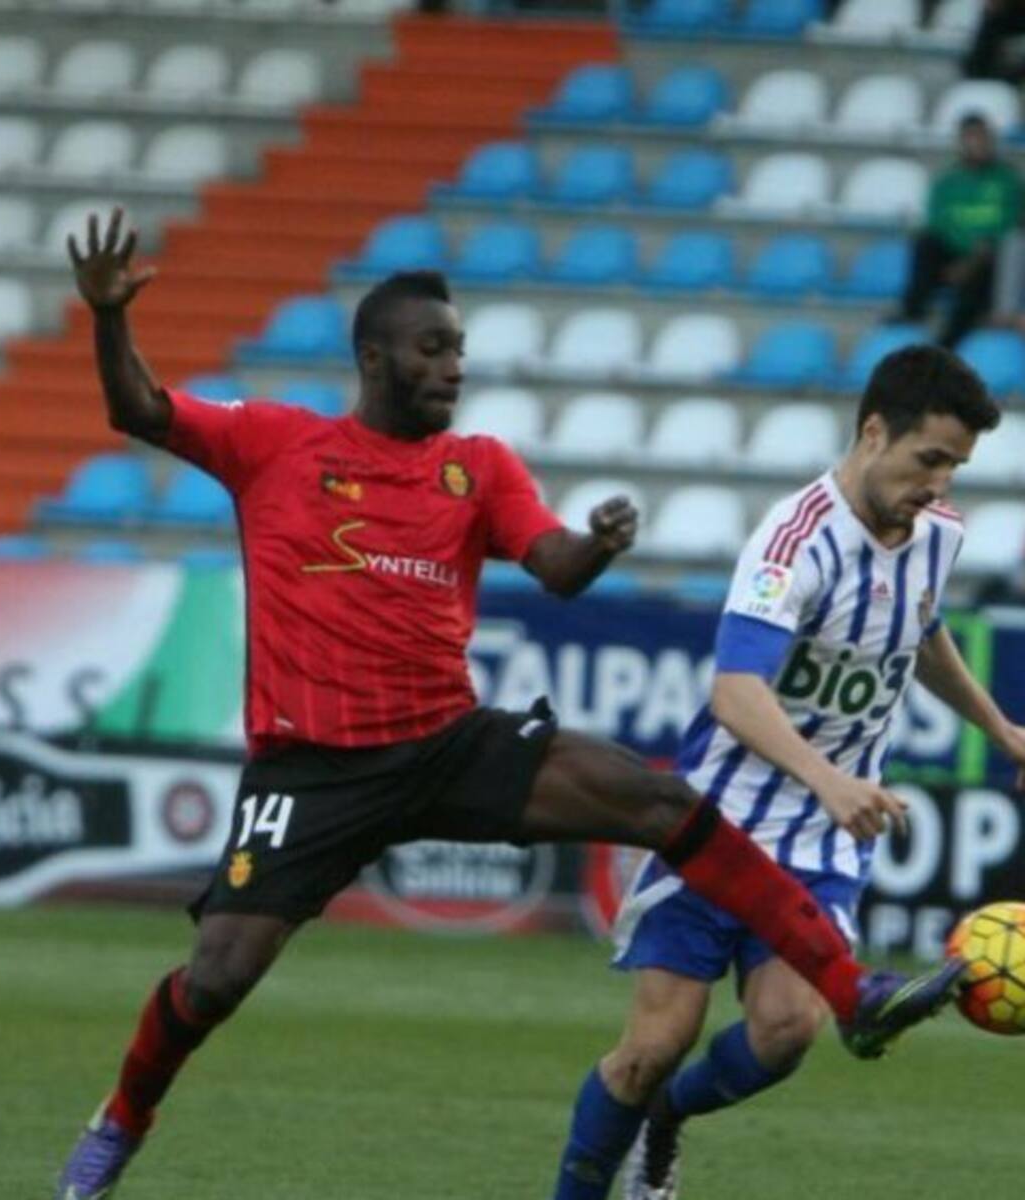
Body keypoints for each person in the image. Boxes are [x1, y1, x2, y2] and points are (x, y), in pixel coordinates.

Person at [55, 209, 964, 1200]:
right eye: (432, 348)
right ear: (373, 357)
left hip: (448, 742)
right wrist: (109, 320)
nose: (453, 366)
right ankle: (121, 1120)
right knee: (217, 978)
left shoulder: (477, 466)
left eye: (460, 350)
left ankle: (850, 990)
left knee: (656, 803)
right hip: (311, 767)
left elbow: (555, 568)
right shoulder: (274, 443)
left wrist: (600, 542)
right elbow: (140, 410)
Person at [549, 345, 1025, 1200]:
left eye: (956, 466)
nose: (942, 484)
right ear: (875, 431)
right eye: (930, 459)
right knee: (655, 1045)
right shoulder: (793, 541)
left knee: (787, 1028)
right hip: (717, 822)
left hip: (817, 841)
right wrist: (830, 779)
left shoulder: (935, 536)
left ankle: (664, 1124)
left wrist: (1002, 729)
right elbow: (736, 692)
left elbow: (921, 633)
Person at [891, 112, 1022, 349]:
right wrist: (959, 261)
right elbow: (938, 222)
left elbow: (1011, 224)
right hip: (954, 255)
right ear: (961, 142)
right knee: (925, 242)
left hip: (987, 256)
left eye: (983, 138)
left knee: (983, 274)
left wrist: (971, 260)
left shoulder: (1008, 181)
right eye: (971, 138)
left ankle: (948, 341)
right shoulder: (946, 182)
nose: (978, 144)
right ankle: (913, 310)